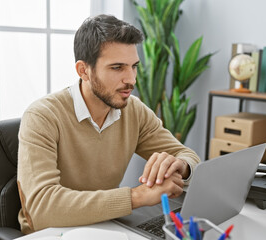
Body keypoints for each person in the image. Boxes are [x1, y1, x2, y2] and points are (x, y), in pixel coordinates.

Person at [17, 14, 200, 234]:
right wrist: (137, 196)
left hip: (107, 227)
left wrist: (181, 165)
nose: (131, 79)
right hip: (51, 234)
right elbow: (42, 209)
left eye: (133, 66)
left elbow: (187, 155)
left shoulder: (134, 110)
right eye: (117, 68)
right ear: (83, 70)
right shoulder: (42, 116)